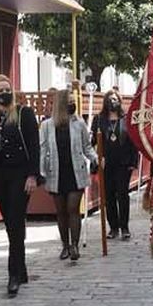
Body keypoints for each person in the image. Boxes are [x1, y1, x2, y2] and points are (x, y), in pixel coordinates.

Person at [0, 75, 40, 295]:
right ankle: (21, 268)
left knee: (15, 221)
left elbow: (34, 146)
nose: (5, 93)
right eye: (1, 90)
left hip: (20, 174)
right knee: (11, 224)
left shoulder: (24, 114)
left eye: (8, 89)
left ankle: (13, 274)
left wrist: (33, 175)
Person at [39, 88, 98, 263]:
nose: (72, 104)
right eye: (69, 102)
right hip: (56, 172)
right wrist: (40, 172)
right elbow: (42, 149)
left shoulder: (79, 123)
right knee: (61, 211)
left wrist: (94, 159)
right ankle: (65, 244)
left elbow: (87, 147)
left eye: (74, 101)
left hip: (75, 171)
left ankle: (74, 245)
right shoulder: (47, 126)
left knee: (73, 208)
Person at [95, 91, 135, 240]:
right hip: (107, 164)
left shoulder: (126, 119)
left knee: (122, 194)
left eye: (115, 99)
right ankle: (113, 227)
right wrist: (98, 157)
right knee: (109, 195)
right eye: (110, 99)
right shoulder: (99, 120)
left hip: (123, 163)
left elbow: (133, 142)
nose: (113, 102)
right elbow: (93, 141)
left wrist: (133, 162)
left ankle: (124, 227)